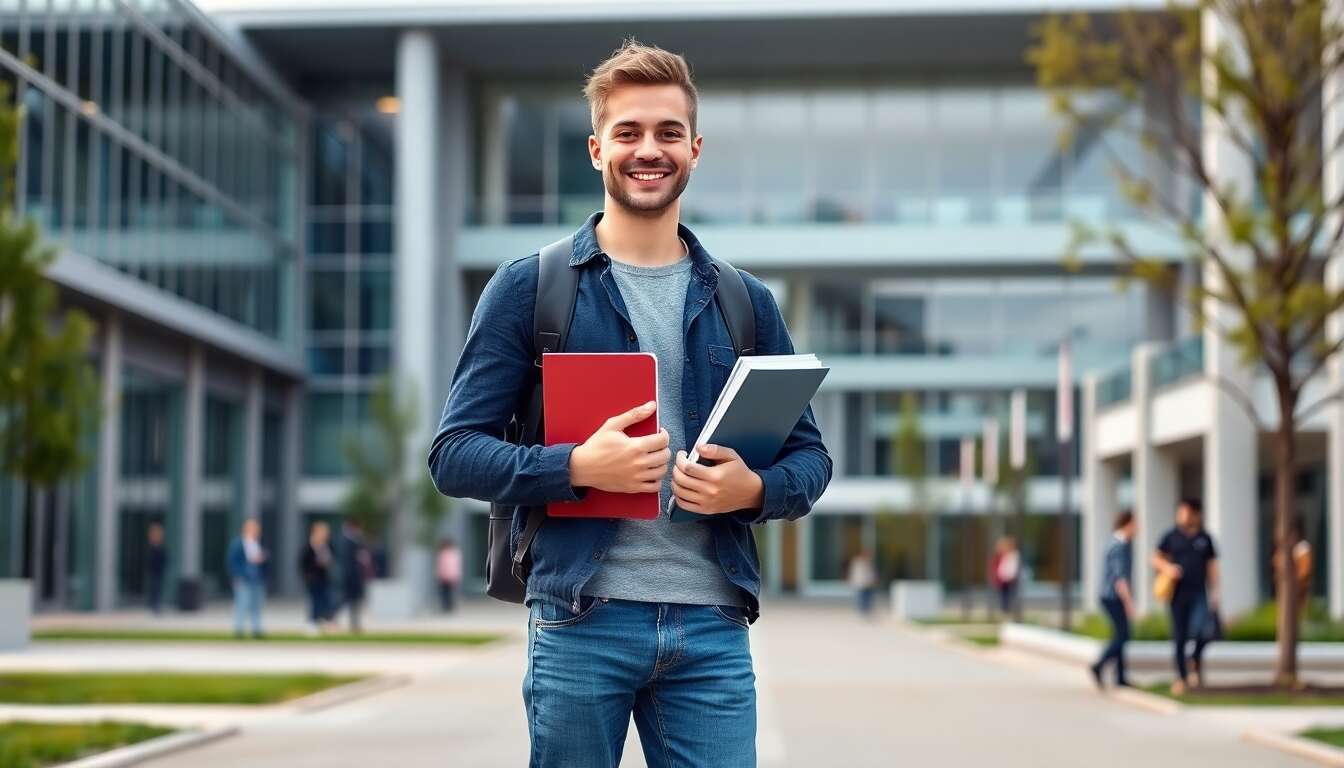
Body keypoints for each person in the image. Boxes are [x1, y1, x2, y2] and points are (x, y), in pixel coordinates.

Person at [427, 40, 831, 768]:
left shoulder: (746, 302)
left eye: (669, 132)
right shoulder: (530, 288)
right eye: (629, 132)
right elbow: (453, 455)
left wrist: (753, 489)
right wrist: (576, 467)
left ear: (695, 149)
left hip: (712, 625)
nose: (649, 149)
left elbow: (811, 458)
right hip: (580, 620)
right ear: (596, 149)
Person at [1153, 498, 1220, 694]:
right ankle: (1181, 678)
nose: (1182, 516)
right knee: (1180, 636)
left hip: (1199, 592)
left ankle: (1195, 660)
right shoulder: (1171, 536)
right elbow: (1155, 558)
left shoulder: (1205, 538)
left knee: (1203, 631)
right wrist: (1168, 568)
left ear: (1196, 515)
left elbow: (1212, 566)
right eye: (1180, 512)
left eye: (1186, 512)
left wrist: (1216, 593)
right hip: (1177, 594)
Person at [1091, 510, 1137, 689]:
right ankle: (1099, 664)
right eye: (1135, 524)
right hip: (1113, 596)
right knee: (1123, 635)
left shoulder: (1114, 542)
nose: (1138, 528)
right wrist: (1129, 603)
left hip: (1108, 595)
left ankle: (1120, 677)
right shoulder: (1119, 546)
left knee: (1119, 634)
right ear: (1128, 524)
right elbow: (1120, 578)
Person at [226, 518, 267, 638]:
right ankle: (239, 630)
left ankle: (256, 630)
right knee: (242, 605)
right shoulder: (237, 544)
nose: (257, 531)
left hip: (257, 579)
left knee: (257, 605)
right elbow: (232, 562)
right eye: (254, 529)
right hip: (243, 579)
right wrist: (236, 576)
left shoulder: (257, 544)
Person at [1272, 520, 1314, 627]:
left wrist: (1292, 581)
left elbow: (1304, 572)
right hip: (1285, 592)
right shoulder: (1282, 549)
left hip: (1297, 592)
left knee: (1295, 620)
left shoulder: (1302, 548)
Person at [337, 519, 372, 634]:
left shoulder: (354, 541)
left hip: (354, 577)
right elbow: (348, 561)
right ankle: (331, 618)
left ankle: (354, 624)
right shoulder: (346, 541)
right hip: (350, 577)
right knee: (345, 600)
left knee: (354, 602)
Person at [300, 521, 334, 634]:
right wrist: (307, 575)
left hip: (323, 577)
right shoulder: (309, 546)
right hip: (312, 578)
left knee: (324, 600)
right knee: (315, 600)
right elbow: (303, 563)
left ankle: (321, 620)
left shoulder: (326, 545)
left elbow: (331, 558)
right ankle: (312, 621)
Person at [989, 536, 1021, 616]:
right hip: (1002, 579)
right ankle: (1005, 609)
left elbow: (1012, 567)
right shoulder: (1000, 556)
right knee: (1003, 595)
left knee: (1008, 594)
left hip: (1010, 578)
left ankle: (1008, 609)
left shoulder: (1012, 555)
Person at [847, 548, 877, 617]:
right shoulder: (858, 562)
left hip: (868, 584)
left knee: (868, 598)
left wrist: (873, 580)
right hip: (861, 583)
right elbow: (856, 573)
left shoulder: (869, 562)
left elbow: (871, 573)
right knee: (861, 598)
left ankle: (867, 611)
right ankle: (862, 612)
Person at [145, 522, 167, 615]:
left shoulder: (160, 548)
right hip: (153, 572)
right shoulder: (152, 548)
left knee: (157, 589)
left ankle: (156, 605)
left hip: (158, 572)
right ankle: (154, 605)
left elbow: (164, 559)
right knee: (153, 589)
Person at [436, 538, 463, 613]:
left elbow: (441, 566)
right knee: (449, 592)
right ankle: (448, 606)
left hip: (446, 576)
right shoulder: (455, 553)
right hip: (451, 576)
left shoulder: (443, 553)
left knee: (446, 593)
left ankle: (447, 606)